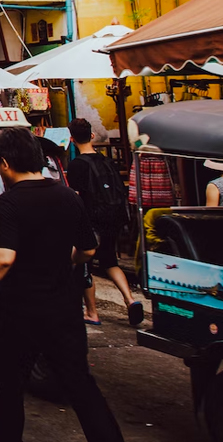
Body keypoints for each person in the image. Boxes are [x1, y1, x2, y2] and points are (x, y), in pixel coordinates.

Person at [0, 127, 124, 442]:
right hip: (64, 309)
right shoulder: (68, 196)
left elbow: (3, 258)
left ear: (3, 164)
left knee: (7, 384)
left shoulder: (8, 202)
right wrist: (63, 261)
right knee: (80, 384)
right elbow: (88, 250)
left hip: (20, 310)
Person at [65, 118, 143, 327]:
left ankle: (92, 312)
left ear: (72, 140)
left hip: (91, 221)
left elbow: (77, 197)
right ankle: (130, 300)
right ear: (92, 136)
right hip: (113, 218)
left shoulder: (76, 165)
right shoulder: (107, 162)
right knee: (110, 261)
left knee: (84, 265)